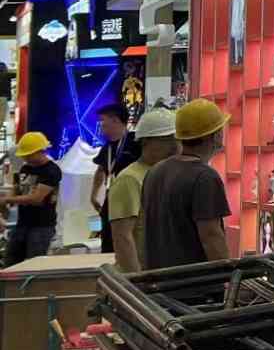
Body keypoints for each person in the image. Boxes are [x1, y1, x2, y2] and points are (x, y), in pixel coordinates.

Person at [142, 99, 233, 269]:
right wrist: (230, 276)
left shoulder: (155, 171)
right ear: (215, 136)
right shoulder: (205, 177)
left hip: (157, 279)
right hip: (192, 282)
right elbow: (211, 237)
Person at [108, 109, 179, 272]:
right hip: (144, 275)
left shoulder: (169, 175)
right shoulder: (130, 179)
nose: (174, 146)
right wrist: (137, 279)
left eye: (176, 139)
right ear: (146, 141)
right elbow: (122, 236)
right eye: (166, 140)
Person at [2, 132, 61, 264]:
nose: (25, 158)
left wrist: (8, 200)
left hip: (42, 226)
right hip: (22, 223)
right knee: (10, 262)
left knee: (33, 263)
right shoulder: (25, 168)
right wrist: (7, 201)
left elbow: (36, 198)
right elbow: (17, 189)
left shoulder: (51, 171)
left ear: (39, 151)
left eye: (28, 155)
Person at [93, 102, 137, 255]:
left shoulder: (136, 142)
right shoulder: (107, 147)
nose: (101, 127)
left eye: (103, 122)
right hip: (111, 197)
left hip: (132, 199)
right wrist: (93, 194)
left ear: (115, 120)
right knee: (108, 238)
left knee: (128, 237)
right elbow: (100, 169)